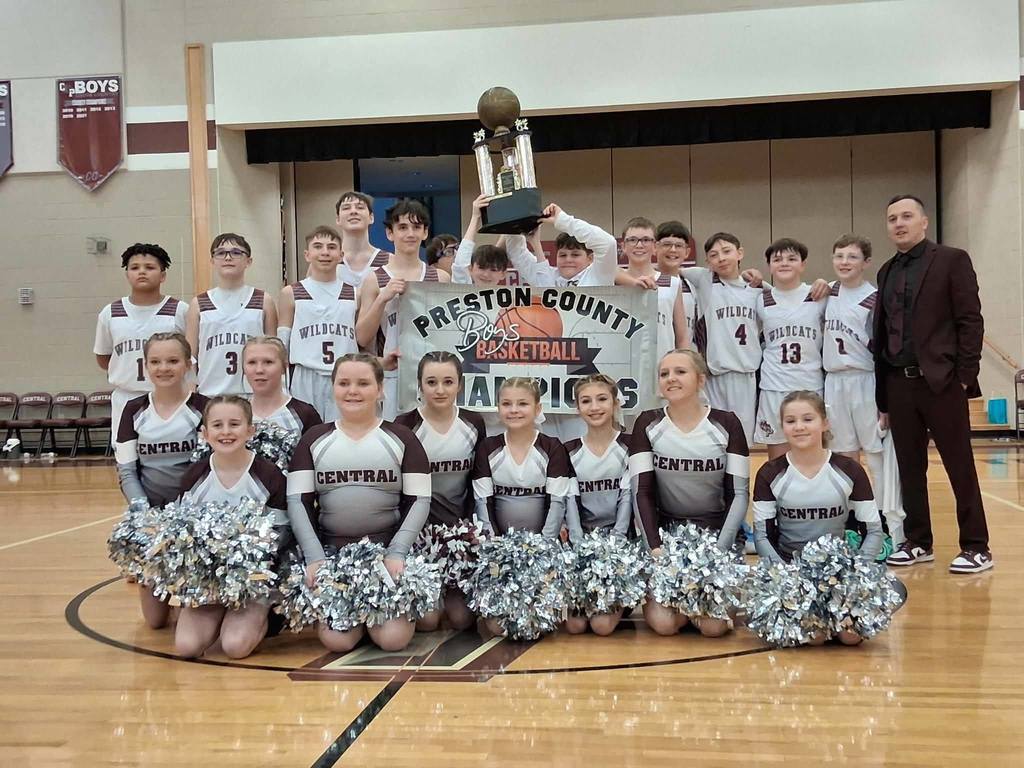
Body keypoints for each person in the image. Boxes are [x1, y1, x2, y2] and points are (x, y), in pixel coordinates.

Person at [874, 194, 991, 573]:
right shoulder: (887, 270)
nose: (899, 223)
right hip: (898, 383)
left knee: (960, 465)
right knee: (909, 467)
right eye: (892, 218)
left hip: (941, 382)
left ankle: (977, 546)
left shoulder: (952, 260)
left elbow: (970, 321)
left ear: (924, 221)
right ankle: (918, 541)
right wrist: (884, 396)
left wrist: (963, 377)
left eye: (906, 216)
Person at [287, 353, 433, 653]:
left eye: (363, 383)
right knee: (337, 642)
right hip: (333, 556)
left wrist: (397, 553)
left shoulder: (402, 437)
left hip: (386, 556)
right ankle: (359, 618)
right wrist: (315, 558)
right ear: (333, 388)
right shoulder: (313, 439)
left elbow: (420, 500)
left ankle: (376, 618)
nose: (353, 390)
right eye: (344, 383)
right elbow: (297, 502)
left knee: (393, 640)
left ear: (380, 390)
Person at [629, 349, 749, 638]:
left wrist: (719, 551)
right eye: (664, 373)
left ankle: (696, 607)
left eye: (680, 372)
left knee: (713, 627)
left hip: (716, 537)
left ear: (701, 380)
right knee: (664, 625)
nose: (671, 378)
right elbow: (640, 492)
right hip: (667, 539)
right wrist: (655, 548)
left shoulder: (727, 423)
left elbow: (739, 494)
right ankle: (682, 606)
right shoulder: (647, 423)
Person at [752, 391, 886, 646]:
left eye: (808, 419)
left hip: (839, 574)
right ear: (782, 427)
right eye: (791, 421)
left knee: (850, 636)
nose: (799, 427)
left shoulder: (849, 470)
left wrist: (855, 574)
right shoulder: (770, 473)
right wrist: (785, 575)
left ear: (825, 423)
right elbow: (762, 535)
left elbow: (873, 531)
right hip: (791, 572)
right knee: (815, 637)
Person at [174, 396, 288, 659]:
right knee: (186, 647)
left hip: (253, 583)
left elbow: (282, 537)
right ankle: (217, 614)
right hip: (210, 583)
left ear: (250, 430)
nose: (226, 432)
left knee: (234, 647)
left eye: (234, 424)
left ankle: (267, 616)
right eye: (217, 425)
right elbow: (182, 536)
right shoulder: (194, 476)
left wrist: (243, 563)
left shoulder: (269, 475)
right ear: (204, 433)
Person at [114, 332, 208, 629]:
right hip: (151, 516)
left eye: (172, 361)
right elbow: (127, 471)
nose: (163, 368)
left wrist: (188, 511)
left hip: (193, 516)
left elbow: (212, 466)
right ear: (145, 366)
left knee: (189, 613)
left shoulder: (203, 407)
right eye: (155, 361)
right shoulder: (134, 410)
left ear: (188, 364)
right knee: (154, 622)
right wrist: (143, 512)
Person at [471, 376, 572, 636]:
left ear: (538, 408)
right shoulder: (488, 448)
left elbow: (557, 503)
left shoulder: (552, 447)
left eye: (522, 404)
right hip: (502, 549)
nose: (514, 410)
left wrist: (544, 548)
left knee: (541, 624)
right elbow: (484, 503)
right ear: (498, 408)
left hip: (543, 549)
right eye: (506, 404)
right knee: (497, 627)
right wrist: (495, 548)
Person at [394, 351, 486, 631]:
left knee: (461, 620)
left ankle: (452, 592)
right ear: (419, 385)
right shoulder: (405, 424)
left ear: (460, 384)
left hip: (460, 536)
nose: (440, 389)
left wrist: (471, 535)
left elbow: (477, 482)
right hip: (420, 537)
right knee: (427, 621)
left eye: (448, 381)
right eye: (431, 382)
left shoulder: (473, 422)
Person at [356, 199, 450, 421]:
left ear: (425, 233)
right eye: (403, 227)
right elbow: (361, 336)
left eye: (417, 227)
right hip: (393, 373)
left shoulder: (440, 278)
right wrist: (383, 298)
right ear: (390, 233)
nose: (410, 233)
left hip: (432, 374)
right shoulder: (375, 279)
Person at [562, 374, 633, 637]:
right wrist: (580, 546)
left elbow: (628, 499)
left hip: (620, 545)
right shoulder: (569, 450)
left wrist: (615, 544)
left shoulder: (630, 445)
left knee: (602, 627)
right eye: (586, 401)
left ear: (615, 402)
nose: (594, 407)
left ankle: (622, 600)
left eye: (602, 399)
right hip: (583, 545)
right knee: (575, 625)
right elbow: (569, 502)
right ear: (577, 407)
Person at [94, 243, 187, 440]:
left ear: (163, 275)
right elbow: (103, 358)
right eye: (135, 268)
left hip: (170, 396)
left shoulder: (180, 310)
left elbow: (192, 355)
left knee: (173, 458)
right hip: (126, 397)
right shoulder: (110, 312)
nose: (142, 272)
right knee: (126, 460)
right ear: (127, 274)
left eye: (150, 267)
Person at [823, 235, 887, 508]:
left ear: (866, 262)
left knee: (875, 453)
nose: (844, 262)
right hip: (834, 381)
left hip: (865, 379)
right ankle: (852, 516)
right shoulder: (826, 291)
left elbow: (884, 351)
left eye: (852, 257)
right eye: (839, 256)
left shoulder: (874, 299)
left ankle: (885, 515)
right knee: (843, 454)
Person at [682, 233, 762, 447]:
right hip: (714, 375)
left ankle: (741, 481)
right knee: (714, 439)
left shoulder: (757, 290)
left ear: (740, 253)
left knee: (742, 442)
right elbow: (671, 268)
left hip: (745, 375)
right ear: (708, 262)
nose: (721, 258)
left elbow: (784, 296)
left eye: (727, 251)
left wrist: (758, 277)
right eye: (714, 255)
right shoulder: (705, 280)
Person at [754, 238, 827, 459]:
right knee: (777, 456)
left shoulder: (819, 295)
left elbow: (850, 285)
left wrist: (827, 283)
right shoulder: (760, 299)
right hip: (774, 385)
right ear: (769, 266)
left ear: (803, 264)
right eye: (777, 259)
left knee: (813, 452)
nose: (784, 263)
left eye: (792, 259)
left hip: (810, 385)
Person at [278, 226, 357, 421]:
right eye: (318, 246)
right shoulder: (291, 292)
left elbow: (364, 342)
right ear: (307, 254)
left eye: (331, 247)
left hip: (344, 374)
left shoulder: (355, 293)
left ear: (341, 255)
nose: (325, 252)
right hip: (305, 375)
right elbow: (282, 344)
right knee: (307, 434)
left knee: (343, 431)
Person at [186, 233, 277, 397]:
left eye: (236, 252)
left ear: (248, 261)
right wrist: (191, 390)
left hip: (253, 394)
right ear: (212, 261)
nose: (228, 257)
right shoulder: (198, 303)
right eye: (220, 253)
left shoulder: (264, 300)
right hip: (209, 394)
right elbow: (190, 356)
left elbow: (275, 352)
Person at [621, 216, 690, 360]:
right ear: (623, 246)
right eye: (632, 240)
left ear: (655, 247)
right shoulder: (615, 282)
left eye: (646, 240)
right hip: (626, 366)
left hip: (663, 367)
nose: (639, 245)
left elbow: (682, 337)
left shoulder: (672, 283)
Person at [241, 336, 321, 436]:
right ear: (243, 368)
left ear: (284, 367)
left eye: (268, 362)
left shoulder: (304, 414)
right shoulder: (235, 414)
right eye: (252, 362)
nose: (259, 370)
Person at [652, 221, 698, 348]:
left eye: (679, 245)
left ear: (687, 251)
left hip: (683, 358)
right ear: (655, 247)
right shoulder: (645, 281)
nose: (673, 250)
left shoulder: (692, 285)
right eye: (667, 244)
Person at [335, 191, 390, 286]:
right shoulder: (327, 260)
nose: (353, 211)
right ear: (338, 219)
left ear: (371, 218)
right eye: (346, 208)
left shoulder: (389, 261)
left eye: (360, 207)